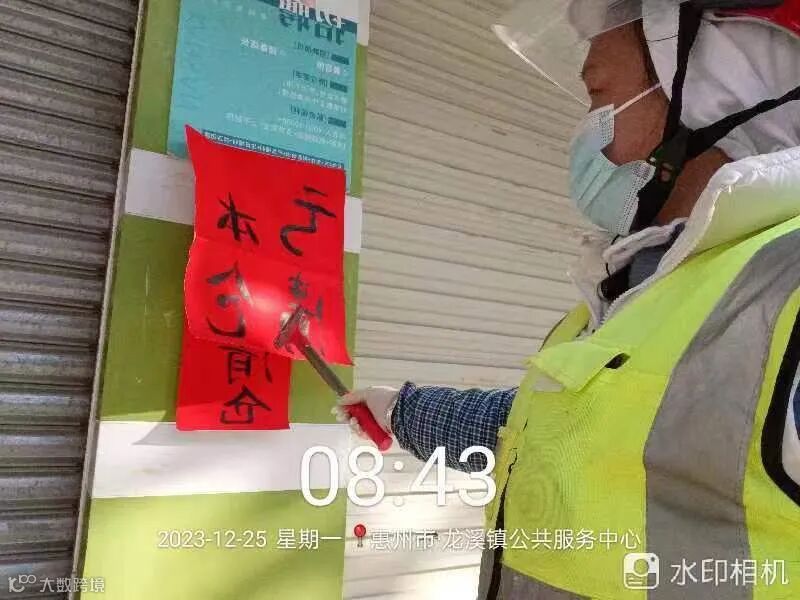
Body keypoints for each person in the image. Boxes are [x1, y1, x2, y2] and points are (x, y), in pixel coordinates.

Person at [336, 1, 800, 597]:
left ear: (716, 97)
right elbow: (559, 434)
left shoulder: (785, 287)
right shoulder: (640, 283)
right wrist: (404, 410)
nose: (584, 129)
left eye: (597, 96)